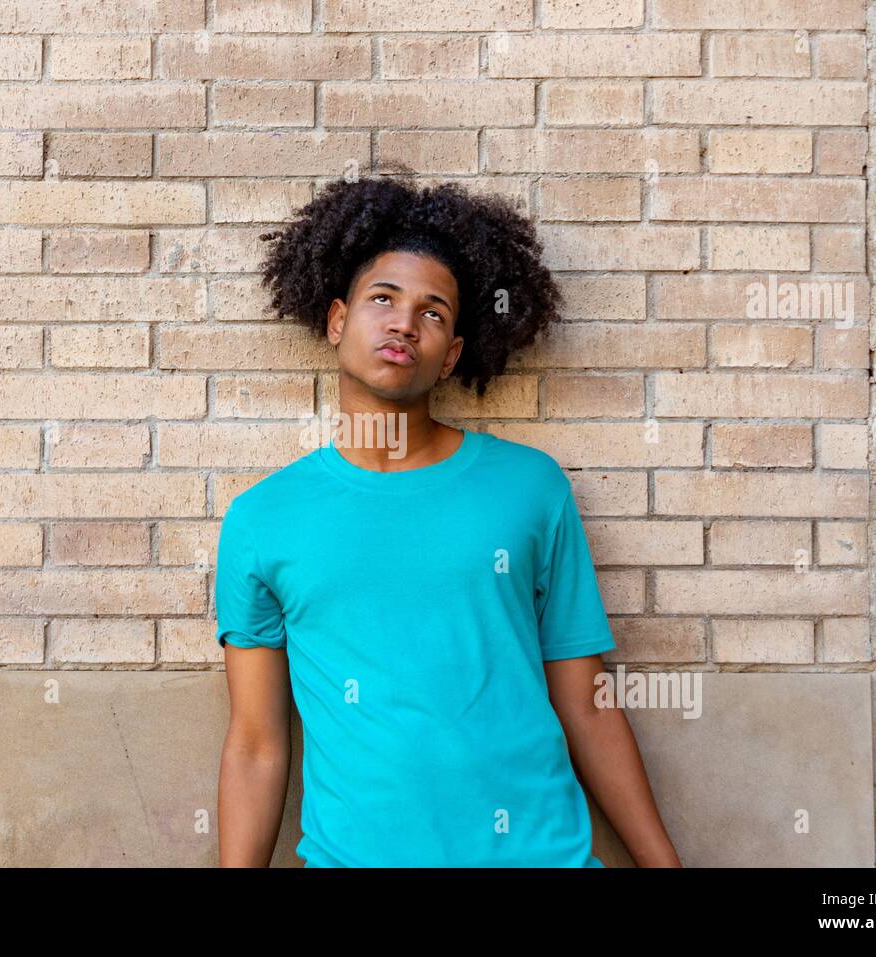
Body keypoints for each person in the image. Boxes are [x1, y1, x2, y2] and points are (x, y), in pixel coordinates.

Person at [215, 165, 680, 868]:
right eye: (383, 298)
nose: (405, 321)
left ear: (452, 352)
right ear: (338, 319)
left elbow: (587, 703)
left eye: (433, 312)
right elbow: (255, 742)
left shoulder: (529, 489)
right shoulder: (263, 520)